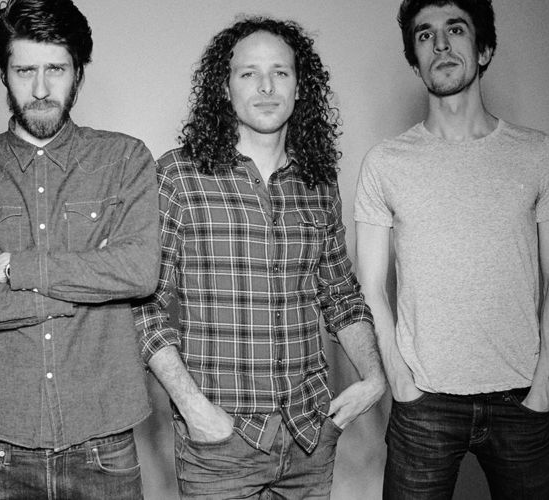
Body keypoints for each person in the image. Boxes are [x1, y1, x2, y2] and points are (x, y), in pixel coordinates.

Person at [134, 17, 386, 499]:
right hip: (219, 445)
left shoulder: (318, 182)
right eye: (249, 73)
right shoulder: (179, 177)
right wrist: (194, 408)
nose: (266, 87)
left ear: (299, 87)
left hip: (310, 436)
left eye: (280, 72)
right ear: (224, 87)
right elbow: (144, 306)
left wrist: (374, 378)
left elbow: (340, 295)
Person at [0, 0, 159, 497]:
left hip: (104, 443)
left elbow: (139, 272)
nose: (39, 89)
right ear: (3, 72)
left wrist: (16, 266)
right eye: (24, 70)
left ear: (78, 72)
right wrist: (86, 288)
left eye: (55, 69)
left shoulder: (125, 159)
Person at [354, 1, 549, 498]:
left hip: (522, 401)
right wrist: (402, 384)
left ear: (484, 49)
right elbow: (369, 287)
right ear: (415, 62)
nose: (440, 44)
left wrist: (543, 391)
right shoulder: (385, 163)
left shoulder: (541, 155)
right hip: (424, 406)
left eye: (456, 29)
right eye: (424, 35)